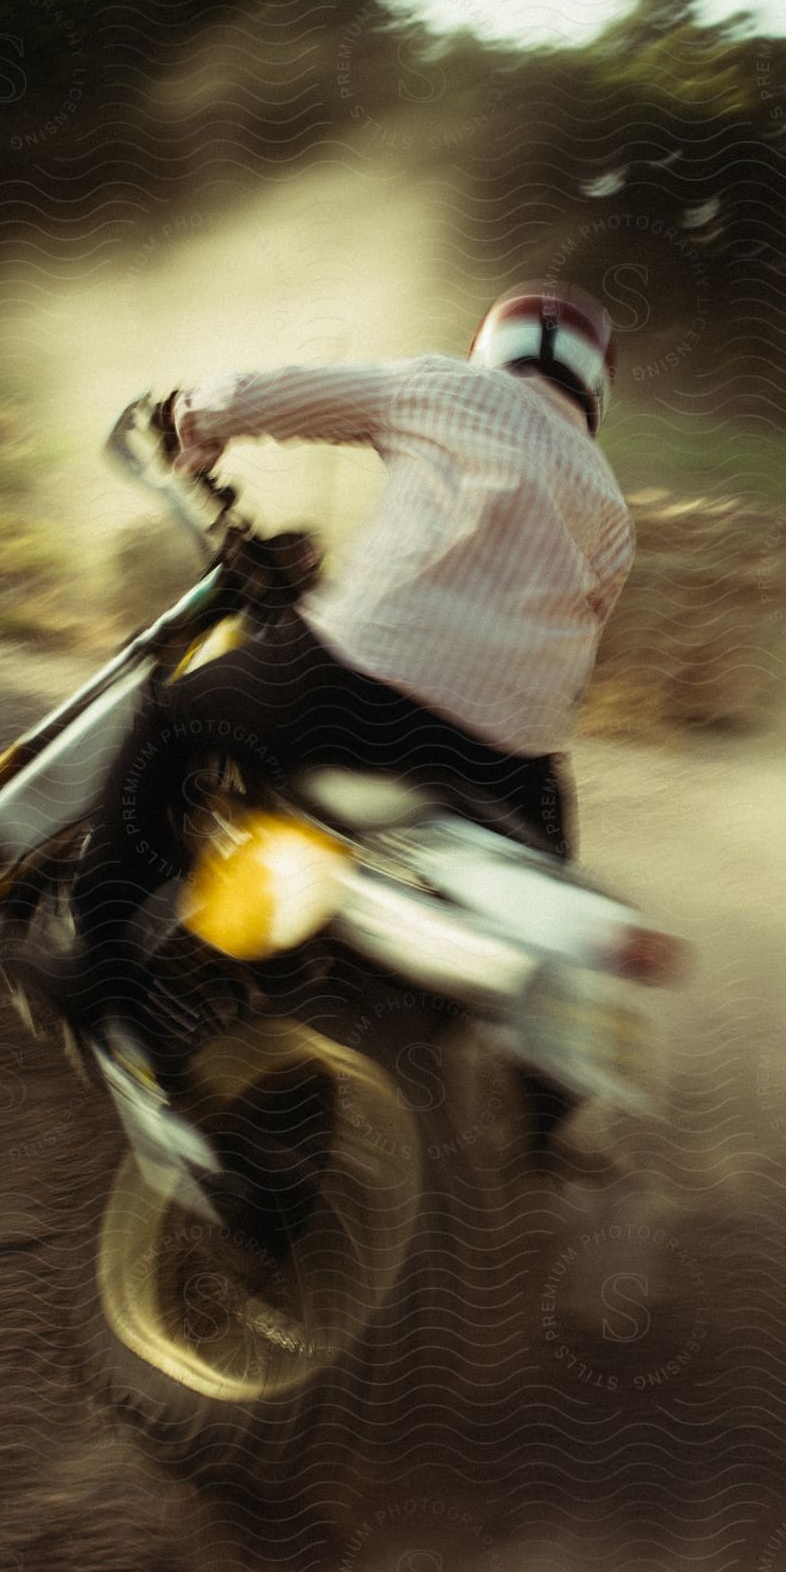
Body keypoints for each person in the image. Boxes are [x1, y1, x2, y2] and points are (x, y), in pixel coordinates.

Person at [72, 284, 636, 1166]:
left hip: (351, 692)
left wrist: (189, 418)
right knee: (551, 884)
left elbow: (272, 397)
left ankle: (98, 965)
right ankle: (549, 1121)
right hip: (504, 764)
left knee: (171, 721)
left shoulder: (447, 386)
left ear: (495, 346)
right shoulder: (609, 505)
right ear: (596, 388)